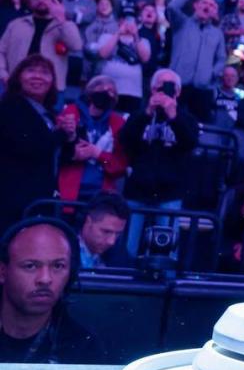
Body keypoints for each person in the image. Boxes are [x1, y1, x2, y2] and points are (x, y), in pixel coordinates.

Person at [118, 68, 199, 257]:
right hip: (137, 190)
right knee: (128, 245)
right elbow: (125, 140)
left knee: (167, 247)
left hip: (170, 193)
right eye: (160, 87)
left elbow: (190, 143)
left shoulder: (186, 118)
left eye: (170, 87)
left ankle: (166, 282)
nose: (164, 91)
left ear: (178, 92)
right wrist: (147, 113)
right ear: (152, 89)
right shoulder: (139, 114)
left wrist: (173, 116)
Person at [0, 218, 104, 363]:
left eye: (58, 266)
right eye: (30, 266)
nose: (45, 279)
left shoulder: (83, 348)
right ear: (3, 272)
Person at [0, 55, 78, 230]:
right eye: (31, 70)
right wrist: (61, 134)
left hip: (43, 200)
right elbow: (27, 146)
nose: (37, 76)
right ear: (18, 77)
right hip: (13, 203)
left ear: (52, 81)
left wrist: (71, 136)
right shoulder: (9, 107)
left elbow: (61, 158)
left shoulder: (49, 115)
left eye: (45, 72)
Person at [0, 0, 82, 94]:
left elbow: (76, 46)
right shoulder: (16, 24)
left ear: (53, 0)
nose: (41, 0)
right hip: (16, 87)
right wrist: (3, 73)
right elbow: (1, 51)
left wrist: (62, 19)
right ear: (30, 1)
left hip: (51, 90)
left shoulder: (64, 25)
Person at [57, 75, 128, 202]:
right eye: (102, 88)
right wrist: (73, 154)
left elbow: (118, 167)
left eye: (111, 91)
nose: (106, 93)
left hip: (101, 195)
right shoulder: (70, 113)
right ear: (90, 91)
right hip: (68, 192)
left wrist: (98, 155)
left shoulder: (118, 123)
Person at [166, 0, 226, 122]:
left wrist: (212, 73)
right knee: (171, 122)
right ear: (196, 6)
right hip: (177, 85)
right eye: (204, 3)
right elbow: (172, 7)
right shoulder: (182, 24)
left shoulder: (217, 33)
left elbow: (221, 58)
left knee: (200, 128)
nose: (207, 7)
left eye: (212, 6)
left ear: (215, 12)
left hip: (202, 87)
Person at [96, 15, 150, 113]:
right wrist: (118, 33)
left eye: (131, 21)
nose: (128, 23)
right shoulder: (106, 37)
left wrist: (136, 35)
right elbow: (103, 54)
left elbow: (145, 58)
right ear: (119, 21)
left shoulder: (143, 41)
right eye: (125, 20)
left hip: (133, 92)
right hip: (108, 89)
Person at [77, 191, 131, 269]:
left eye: (118, 234)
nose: (111, 242)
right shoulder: (64, 251)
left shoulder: (120, 256)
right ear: (88, 221)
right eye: (106, 232)